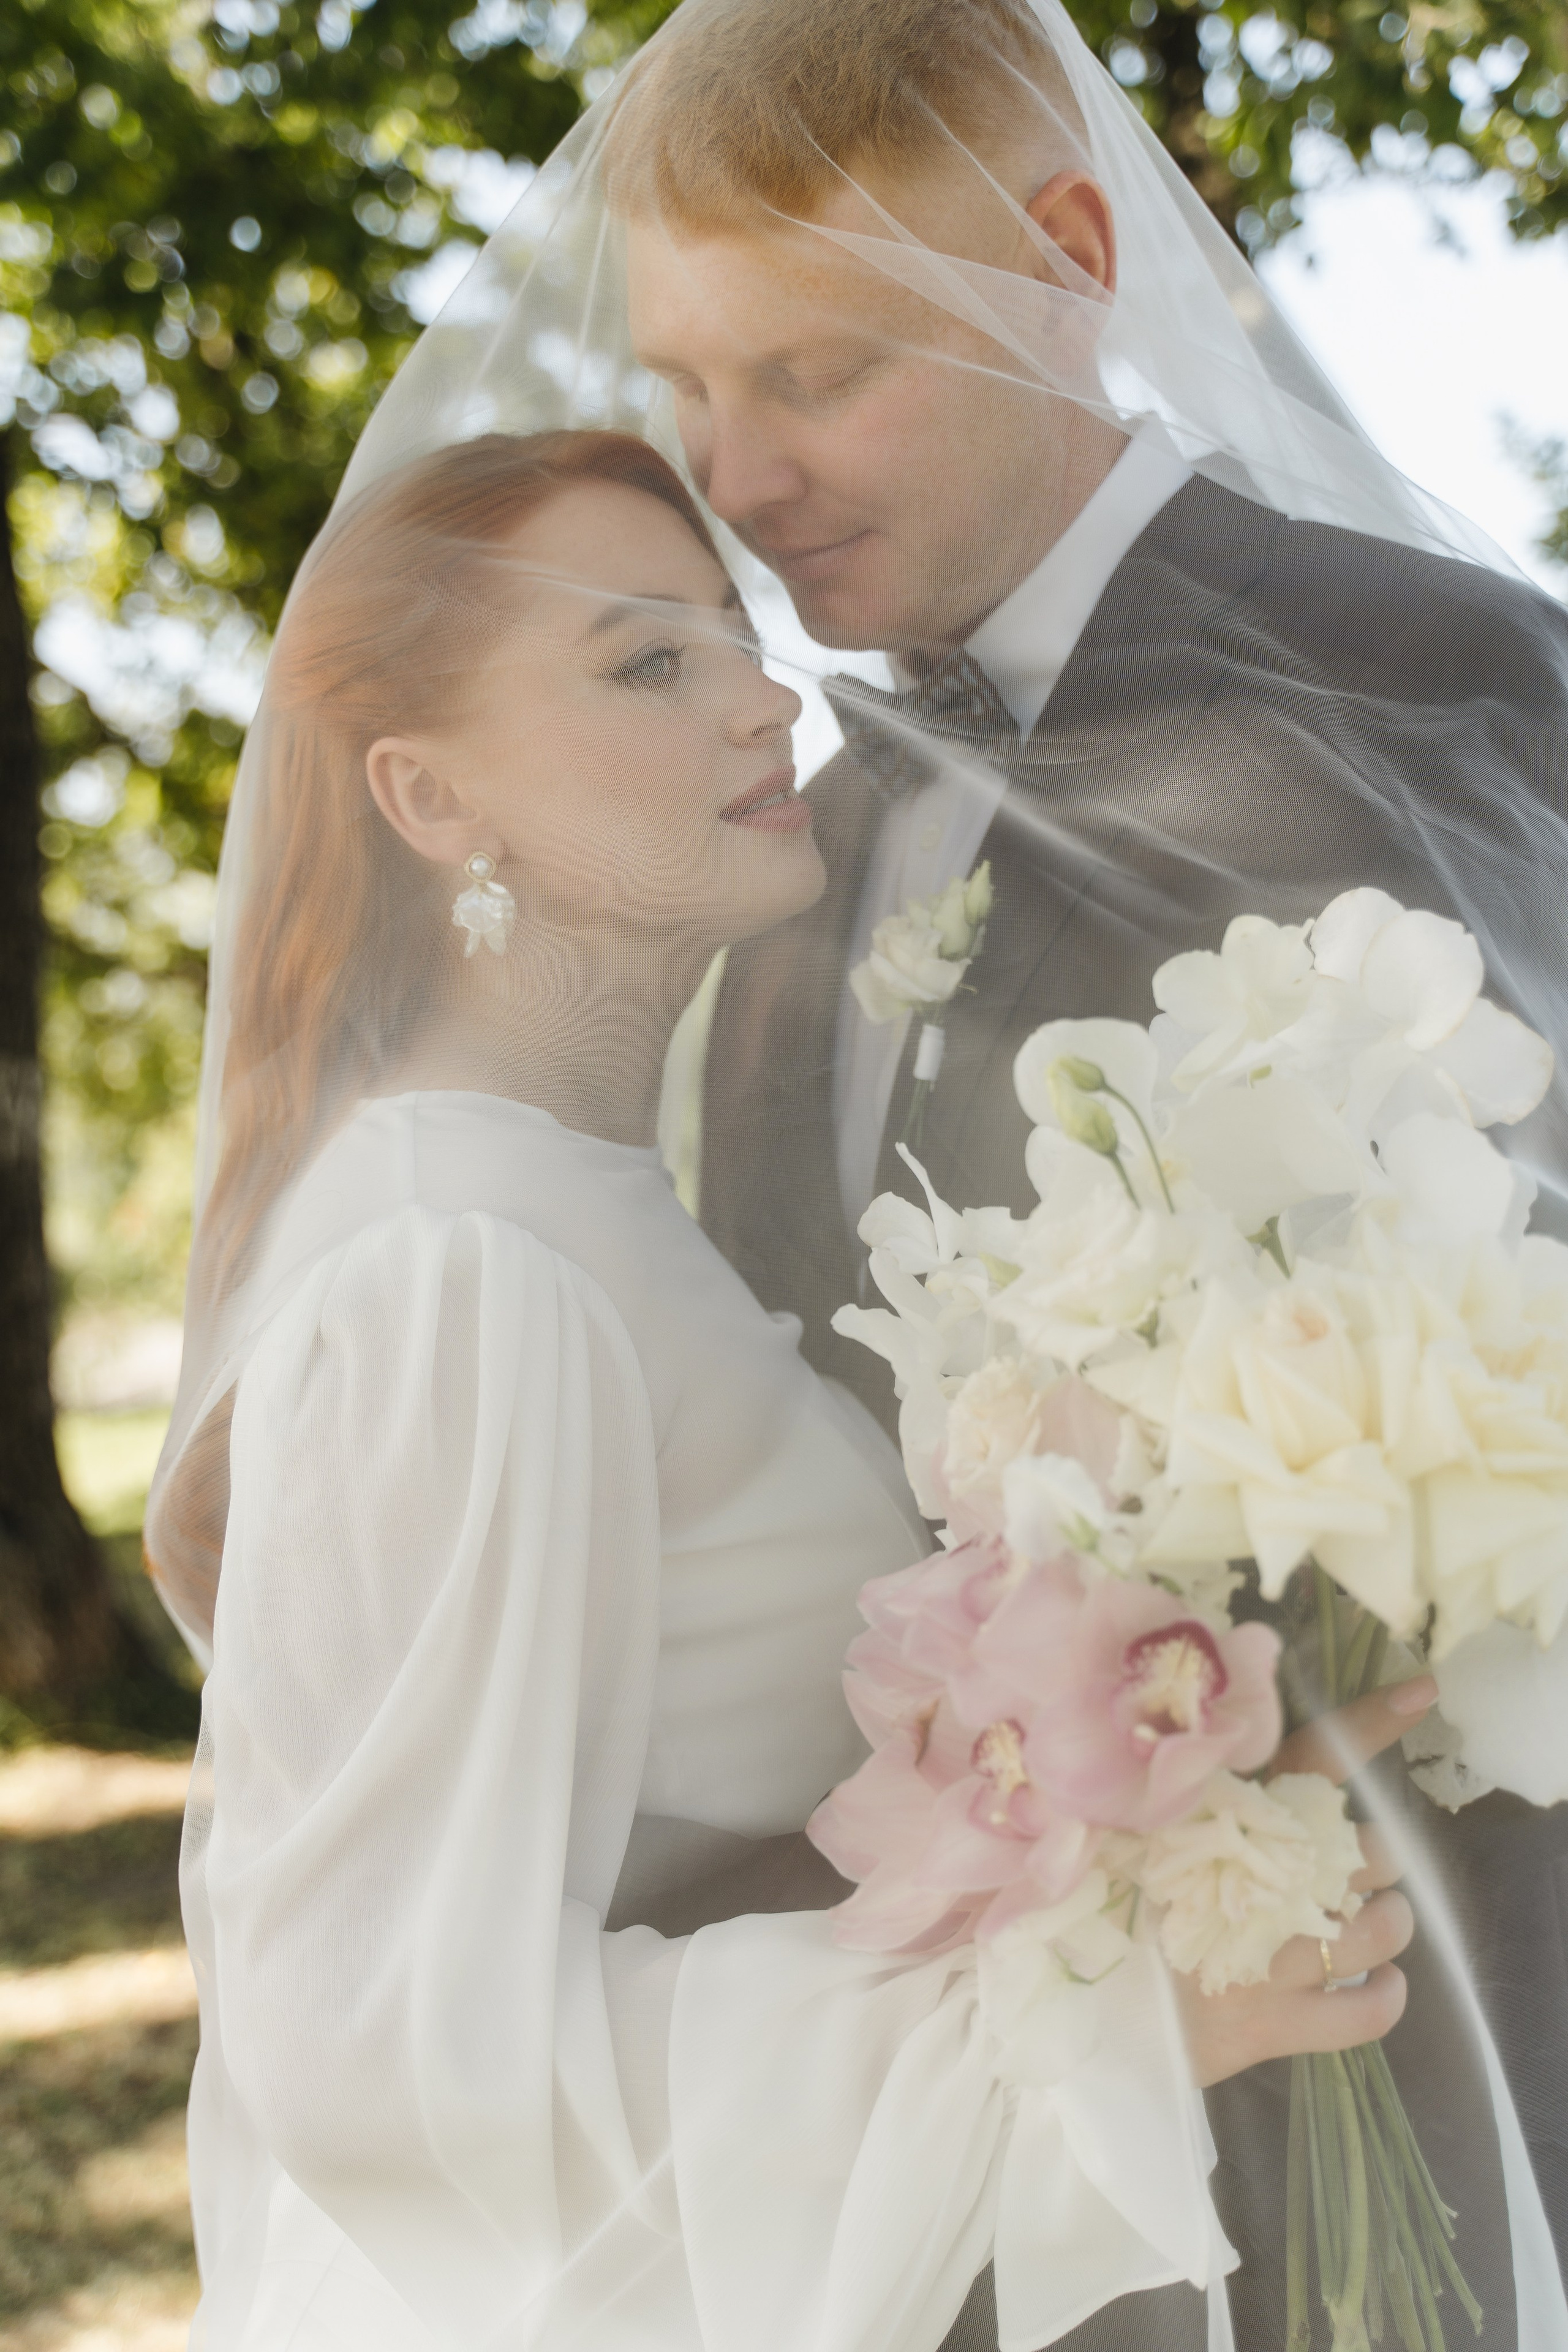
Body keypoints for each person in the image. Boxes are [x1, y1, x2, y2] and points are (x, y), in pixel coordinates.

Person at [147, 427, 1429, 2352]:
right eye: (648, 661)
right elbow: (380, 2045)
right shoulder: (463, 1264)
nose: (766, 698)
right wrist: (1090, 2027)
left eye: (735, 634)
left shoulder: (566, 1202)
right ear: (431, 794)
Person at [594, 0, 1568, 2342]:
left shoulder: (1439, 677)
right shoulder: (788, 838)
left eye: (817, 371)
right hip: (972, 2150)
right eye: (686, 389)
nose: (738, 476)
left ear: (1064, 255)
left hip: (1427, 2049)